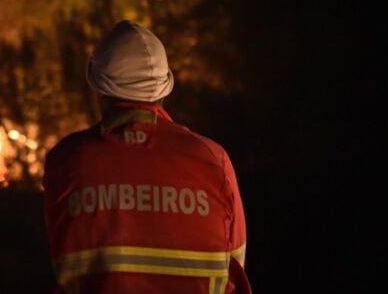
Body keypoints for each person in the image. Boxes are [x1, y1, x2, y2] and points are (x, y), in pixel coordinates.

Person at [42, 20, 251, 293]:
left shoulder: (66, 161)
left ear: (98, 87)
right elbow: (236, 269)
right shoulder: (213, 161)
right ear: (165, 87)